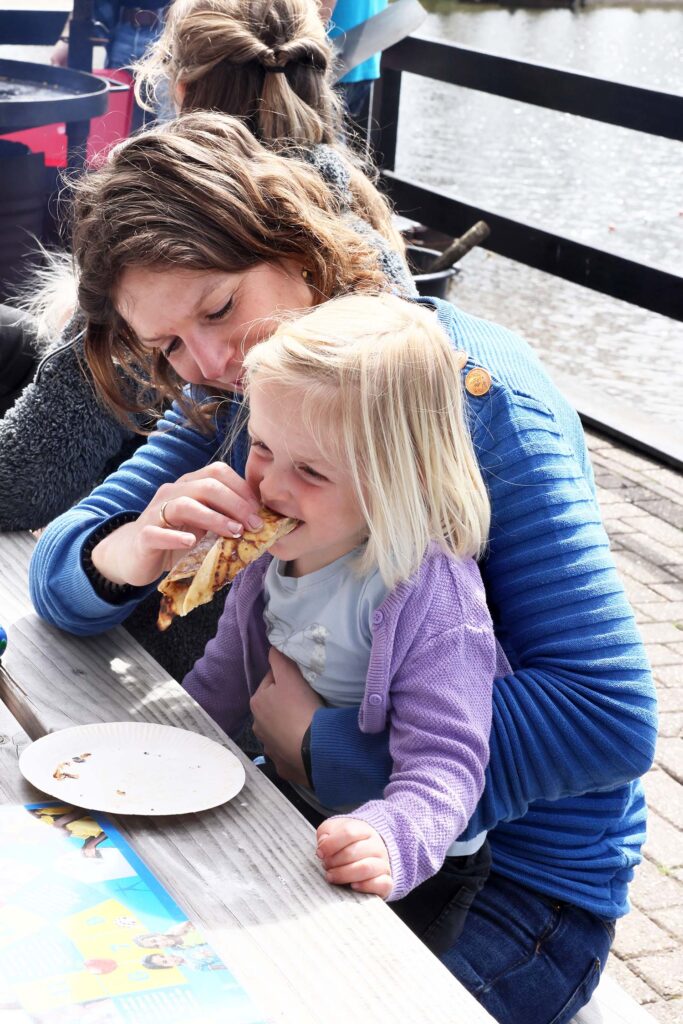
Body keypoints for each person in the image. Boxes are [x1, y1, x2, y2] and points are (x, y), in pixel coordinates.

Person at [28, 113, 656, 1024]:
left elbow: (607, 718)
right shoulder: (247, 394)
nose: (208, 361)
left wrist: (321, 746)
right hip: (330, 824)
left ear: (296, 243)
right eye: (167, 346)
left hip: (523, 887)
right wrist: (130, 549)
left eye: (217, 308)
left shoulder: (470, 397)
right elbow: (61, 566)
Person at [184, 293, 496, 949]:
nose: (270, 485)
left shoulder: (426, 593)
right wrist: (167, 745)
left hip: (412, 862)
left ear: (396, 481)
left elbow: (447, 765)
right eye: (262, 446)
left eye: (311, 470)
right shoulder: (274, 552)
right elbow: (223, 677)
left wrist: (389, 838)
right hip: (301, 807)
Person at [51, 2, 171, 130]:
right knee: (114, 129)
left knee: (172, 130)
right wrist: (68, 36)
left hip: (171, 30)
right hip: (122, 30)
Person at [323, 0, 386, 141]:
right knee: (335, 133)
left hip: (331, 64)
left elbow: (322, 11)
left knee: (326, 140)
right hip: (366, 61)